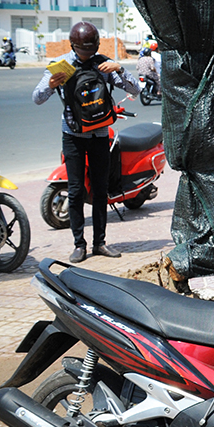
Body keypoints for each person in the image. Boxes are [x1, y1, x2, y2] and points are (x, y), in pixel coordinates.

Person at [33, 21, 139, 263]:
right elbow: (37, 98)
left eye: (90, 51)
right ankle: (79, 245)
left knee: (101, 191)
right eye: (83, 52)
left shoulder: (102, 63)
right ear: (73, 47)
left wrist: (120, 69)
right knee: (75, 190)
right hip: (72, 136)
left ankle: (99, 243)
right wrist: (50, 85)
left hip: (100, 135)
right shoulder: (61, 65)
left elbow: (136, 90)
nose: (87, 56)